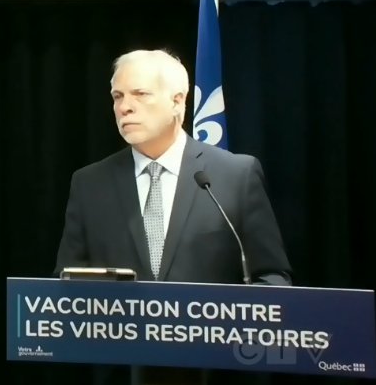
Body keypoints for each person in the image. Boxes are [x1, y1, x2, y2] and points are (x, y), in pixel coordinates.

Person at [54, 49, 291, 384]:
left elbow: (272, 276)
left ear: (178, 101)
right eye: (118, 96)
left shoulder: (234, 175)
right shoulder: (90, 183)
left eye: (140, 94)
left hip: (215, 371)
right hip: (122, 372)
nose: (124, 107)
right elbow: (66, 284)